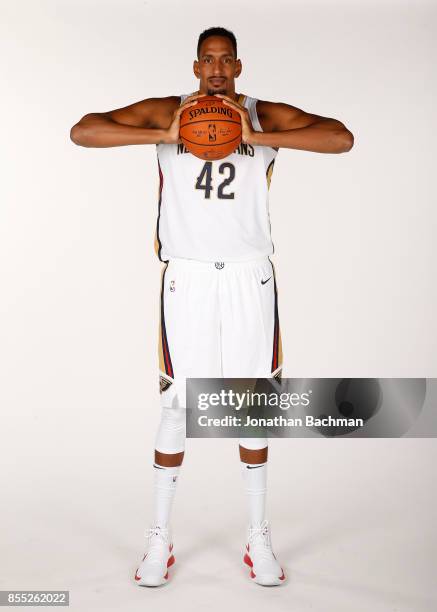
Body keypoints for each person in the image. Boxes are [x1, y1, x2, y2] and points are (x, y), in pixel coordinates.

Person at [70, 26, 354, 588]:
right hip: (189, 278)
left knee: (251, 406)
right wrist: (174, 131)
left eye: (227, 61)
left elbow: (341, 138)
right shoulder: (165, 111)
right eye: (209, 61)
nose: (218, 70)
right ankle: (160, 537)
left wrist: (251, 131)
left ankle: (257, 536)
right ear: (196, 67)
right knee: (178, 407)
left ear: (239, 67)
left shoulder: (263, 114)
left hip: (251, 277)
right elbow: (82, 131)